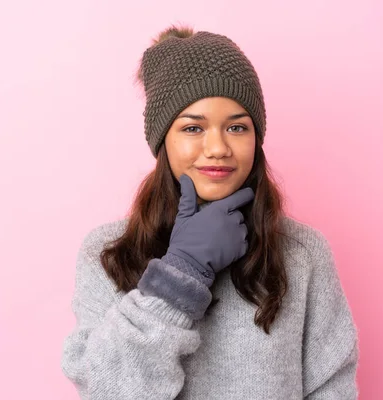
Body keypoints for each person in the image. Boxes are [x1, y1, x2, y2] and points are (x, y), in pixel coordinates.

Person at [60, 24, 359, 399]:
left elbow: (332, 387)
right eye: (192, 128)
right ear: (162, 141)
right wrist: (178, 274)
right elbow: (106, 391)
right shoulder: (107, 253)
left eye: (236, 126)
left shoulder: (303, 254)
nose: (217, 147)